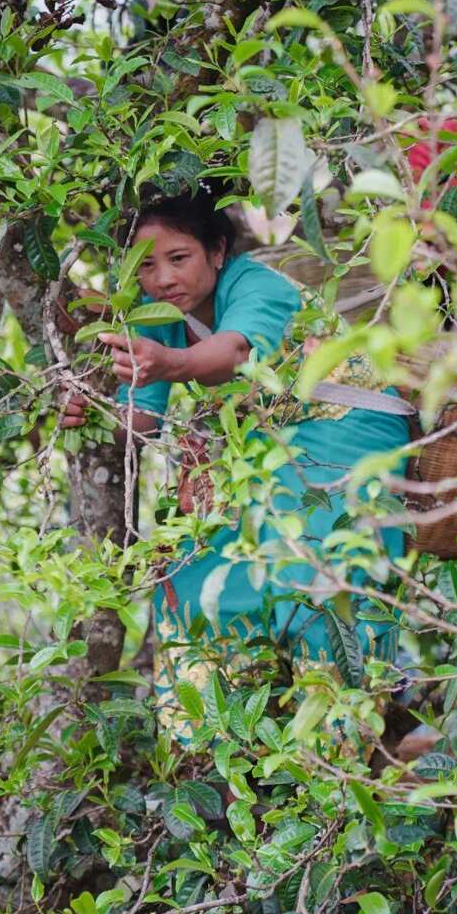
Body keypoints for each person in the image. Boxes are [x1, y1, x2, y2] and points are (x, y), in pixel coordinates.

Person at [61, 188, 412, 737]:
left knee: (322, 581)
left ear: (218, 252)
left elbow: (234, 354)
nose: (163, 279)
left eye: (179, 259)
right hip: (268, 451)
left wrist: (171, 362)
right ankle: (211, 743)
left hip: (349, 433)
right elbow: (142, 418)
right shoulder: (156, 313)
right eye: (146, 267)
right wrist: (94, 409)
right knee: (192, 576)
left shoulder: (257, 285)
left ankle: (339, 752)